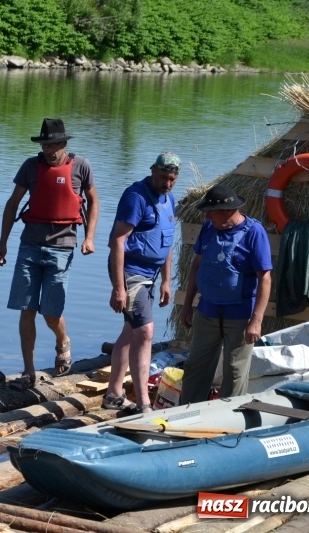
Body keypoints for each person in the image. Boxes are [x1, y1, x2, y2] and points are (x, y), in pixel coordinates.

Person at [0, 118, 98, 391]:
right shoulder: (30, 166)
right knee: (26, 309)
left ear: (63, 143)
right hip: (29, 246)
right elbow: (12, 203)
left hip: (62, 248)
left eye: (53, 145)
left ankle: (62, 340)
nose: (48, 151)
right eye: (44, 145)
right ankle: (28, 372)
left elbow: (93, 201)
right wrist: (2, 243)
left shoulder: (81, 166)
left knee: (51, 313)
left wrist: (89, 238)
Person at [178, 184, 272, 404]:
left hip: (239, 317)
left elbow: (265, 278)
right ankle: (187, 411)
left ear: (228, 211)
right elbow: (196, 267)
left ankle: (228, 416)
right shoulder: (209, 228)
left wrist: (256, 320)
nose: (207, 217)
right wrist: (187, 305)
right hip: (207, 312)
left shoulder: (254, 232)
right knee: (195, 366)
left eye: (212, 213)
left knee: (235, 371)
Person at [103, 152, 180, 414]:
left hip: (152, 274)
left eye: (172, 179)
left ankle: (114, 394)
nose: (167, 184)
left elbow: (167, 241)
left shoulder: (169, 199)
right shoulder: (136, 197)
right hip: (131, 271)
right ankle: (144, 403)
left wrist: (166, 280)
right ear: (152, 171)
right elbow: (117, 241)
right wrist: (119, 287)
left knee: (131, 331)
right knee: (145, 332)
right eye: (163, 177)